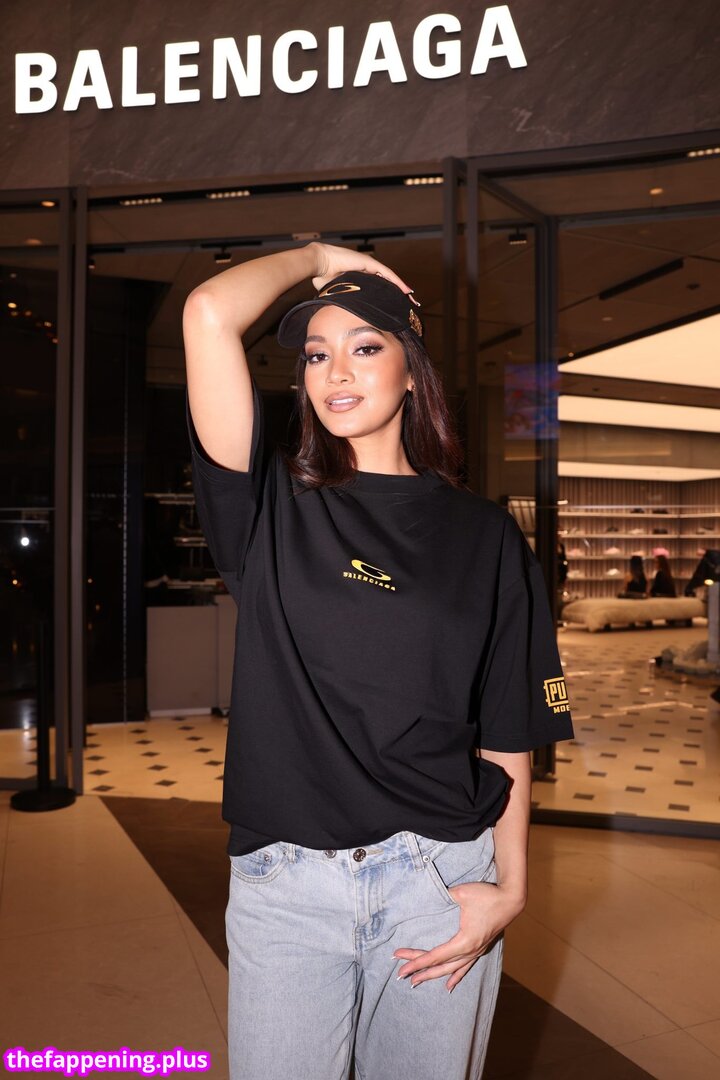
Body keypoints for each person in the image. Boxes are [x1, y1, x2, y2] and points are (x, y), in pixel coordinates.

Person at [182, 242, 574, 1080]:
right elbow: (208, 313)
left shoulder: (485, 536)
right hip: (287, 886)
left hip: (437, 880)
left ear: (411, 372)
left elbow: (507, 728)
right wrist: (317, 252)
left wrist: (510, 890)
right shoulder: (269, 505)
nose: (335, 372)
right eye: (315, 354)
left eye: (365, 346)